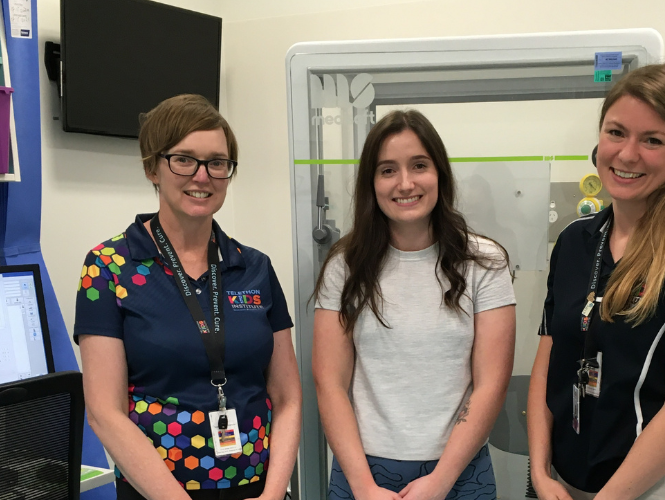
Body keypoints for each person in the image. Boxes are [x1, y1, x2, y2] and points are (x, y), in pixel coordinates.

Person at [527, 63, 665, 500]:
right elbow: (548, 359)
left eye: (653, 140)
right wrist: (539, 472)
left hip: (654, 487)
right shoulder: (575, 241)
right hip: (566, 483)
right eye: (616, 132)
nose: (627, 155)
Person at [74, 94, 301, 500]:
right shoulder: (108, 267)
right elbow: (105, 413)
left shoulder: (254, 268)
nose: (203, 176)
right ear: (152, 168)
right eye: (184, 159)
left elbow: (287, 397)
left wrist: (273, 493)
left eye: (217, 163)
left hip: (257, 490)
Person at [313, 109, 516, 500]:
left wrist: (440, 482)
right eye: (388, 170)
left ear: (439, 173)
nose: (405, 183)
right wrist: (364, 487)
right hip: (362, 471)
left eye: (419, 165)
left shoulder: (484, 262)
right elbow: (330, 383)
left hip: (458, 470)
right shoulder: (345, 265)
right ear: (371, 183)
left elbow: (491, 384)